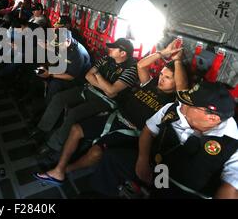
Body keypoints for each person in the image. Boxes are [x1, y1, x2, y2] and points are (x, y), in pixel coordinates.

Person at [34, 40, 187, 185]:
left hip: (131, 129)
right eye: (161, 74)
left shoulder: (173, 101)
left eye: (167, 78)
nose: (161, 79)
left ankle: (65, 169)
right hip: (116, 116)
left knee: (95, 152)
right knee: (76, 128)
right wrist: (163, 52)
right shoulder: (150, 84)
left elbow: (112, 92)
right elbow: (141, 65)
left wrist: (178, 62)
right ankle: (58, 169)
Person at [89, 81, 238, 199]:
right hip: (155, 166)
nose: (181, 104)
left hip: (181, 191)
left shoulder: (232, 143)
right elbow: (148, 131)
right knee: (112, 158)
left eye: (189, 104)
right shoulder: (173, 109)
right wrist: (142, 160)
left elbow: (229, 188)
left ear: (212, 118)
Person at [33, 38, 138, 155]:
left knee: (74, 113)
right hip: (89, 89)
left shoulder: (131, 69)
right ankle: (42, 129)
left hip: (106, 101)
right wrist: (105, 86)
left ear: (123, 53)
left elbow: (111, 91)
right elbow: (88, 76)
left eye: (114, 48)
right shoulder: (107, 58)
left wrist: (98, 75)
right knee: (59, 98)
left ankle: (52, 145)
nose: (110, 49)